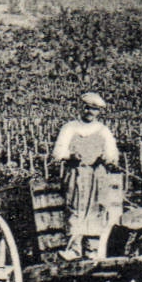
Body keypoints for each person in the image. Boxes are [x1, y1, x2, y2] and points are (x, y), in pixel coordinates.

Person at [52, 92, 122, 260]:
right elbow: (58, 151)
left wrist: (108, 158)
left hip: (97, 176)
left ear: (99, 112)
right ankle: (74, 249)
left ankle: (92, 249)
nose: (90, 112)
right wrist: (70, 155)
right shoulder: (70, 128)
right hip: (76, 174)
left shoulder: (103, 131)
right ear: (81, 107)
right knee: (75, 208)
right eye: (87, 107)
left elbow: (112, 154)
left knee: (97, 208)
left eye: (94, 109)